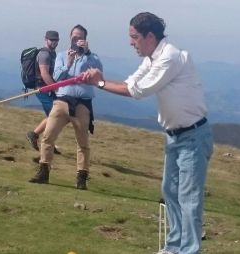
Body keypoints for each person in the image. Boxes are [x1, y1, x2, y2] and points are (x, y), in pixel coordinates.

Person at [83, 12, 213, 254]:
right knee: (170, 191)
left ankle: (189, 250)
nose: (131, 42)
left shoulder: (170, 57)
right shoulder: (153, 57)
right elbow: (131, 82)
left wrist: (99, 83)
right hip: (174, 136)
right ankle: (175, 247)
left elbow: (139, 91)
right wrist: (99, 81)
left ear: (149, 36)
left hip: (193, 136)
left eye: (134, 37)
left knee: (189, 198)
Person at [29, 24, 103, 190]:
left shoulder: (92, 57)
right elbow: (56, 77)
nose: (77, 40)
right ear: (70, 37)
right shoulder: (62, 56)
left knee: (82, 142)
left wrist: (88, 54)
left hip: (82, 103)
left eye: (80, 37)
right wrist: (67, 64)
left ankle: (81, 178)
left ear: (85, 39)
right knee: (48, 136)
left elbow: (99, 73)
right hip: (62, 101)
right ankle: (43, 172)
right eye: (74, 37)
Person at [26, 30, 61, 154]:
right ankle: (34, 134)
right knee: (54, 115)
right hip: (42, 89)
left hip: (48, 89)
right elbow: (44, 74)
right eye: (52, 40)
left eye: (56, 40)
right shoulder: (44, 55)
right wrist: (56, 88)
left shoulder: (52, 53)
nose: (54, 42)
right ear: (46, 39)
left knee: (54, 117)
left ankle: (48, 143)